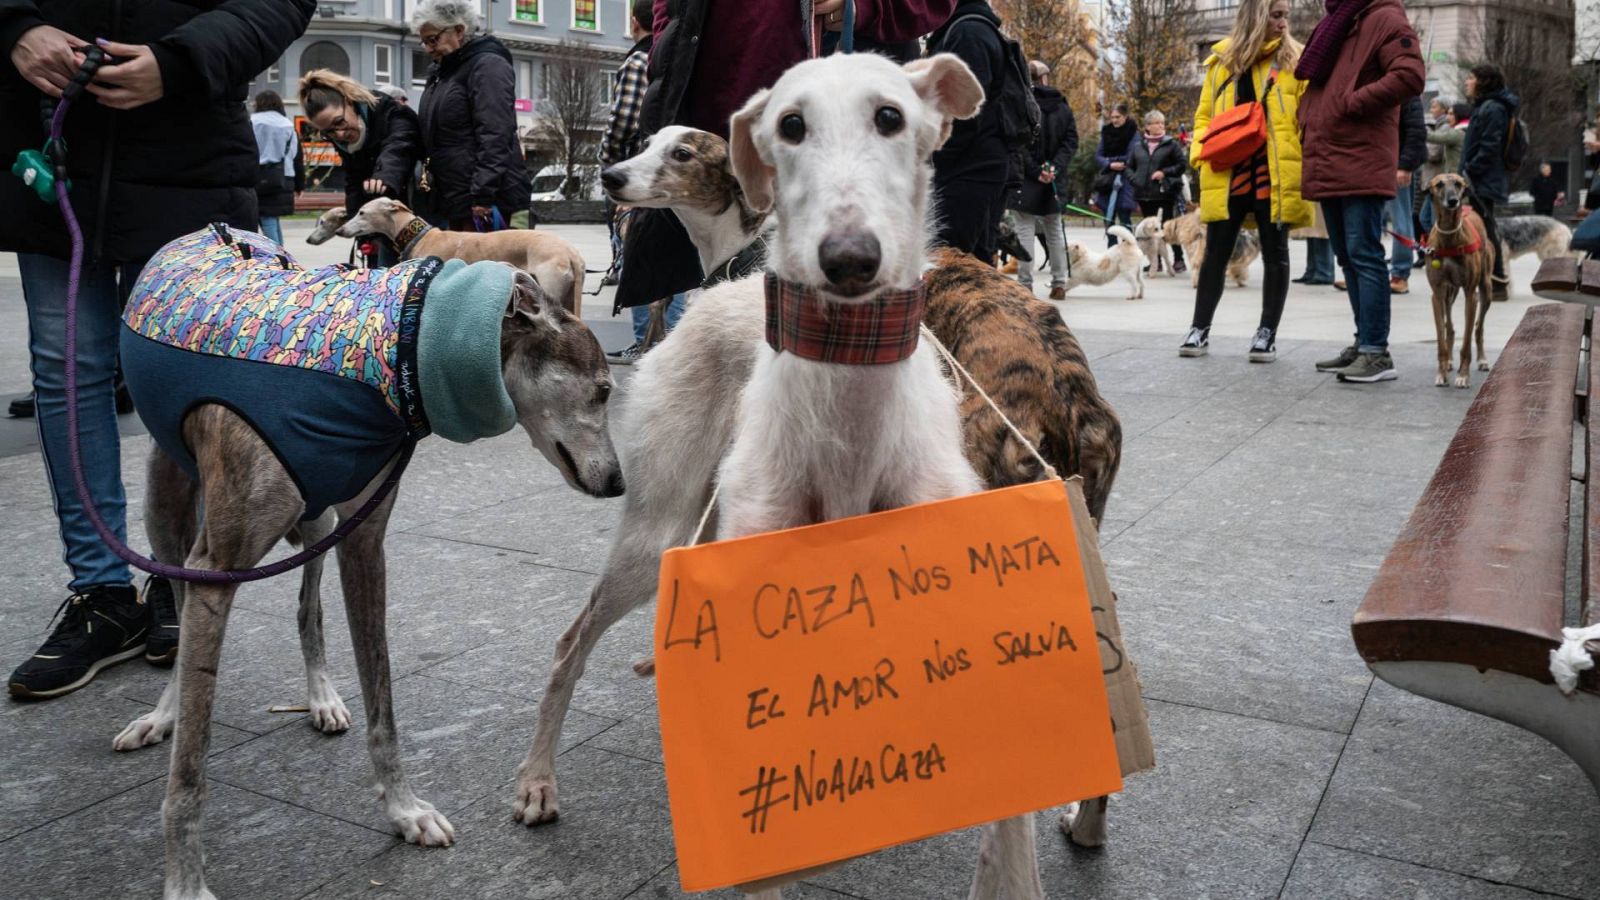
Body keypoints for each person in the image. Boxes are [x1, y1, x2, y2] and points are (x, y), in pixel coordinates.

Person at [1, 0, 313, 700]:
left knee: (187, 380)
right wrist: (15, 29)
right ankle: (99, 593)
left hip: (188, 155)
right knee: (65, 369)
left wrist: (182, 60)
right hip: (52, 148)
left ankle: (179, 574)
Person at [1296, 0, 1424, 383]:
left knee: (1365, 255)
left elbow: (1410, 75)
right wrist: (1311, 114)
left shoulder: (1383, 16)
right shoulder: (1343, 20)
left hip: (1359, 154)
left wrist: (1352, 103)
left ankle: (1376, 353)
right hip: (1333, 155)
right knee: (1349, 258)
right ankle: (1363, 341)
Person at [1177, 0, 1311, 363]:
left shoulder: (1296, 62)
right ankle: (1199, 328)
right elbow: (1204, 115)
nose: (1284, 23)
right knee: (1215, 253)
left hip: (1275, 172)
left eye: (1286, 16)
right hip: (1228, 170)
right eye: (1277, 15)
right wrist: (1199, 154)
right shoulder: (1222, 63)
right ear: (1256, 17)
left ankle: (1267, 332)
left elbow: (1307, 119)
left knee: (1276, 253)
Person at [602, 0, 682, 364]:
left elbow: (624, 123)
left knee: (638, 257)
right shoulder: (680, 55)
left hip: (640, 177)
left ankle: (647, 343)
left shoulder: (638, 61)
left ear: (634, 22)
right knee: (680, 260)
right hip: (670, 175)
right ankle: (675, 343)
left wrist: (611, 168)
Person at [413, 0, 531, 232]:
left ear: (458, 30)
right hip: (456, 199)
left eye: (433, 39)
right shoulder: (442, 72)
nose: (428, 48)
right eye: (424, 41)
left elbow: (495, 133)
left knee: (488, 266)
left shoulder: (487, 65)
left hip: (486, 202)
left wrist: (483, 194)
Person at [299, 69, 422, 266]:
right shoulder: (346, 141)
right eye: (329, 132)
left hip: (421, 211)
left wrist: (384, 177)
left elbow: (399, 147)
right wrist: (356, 222)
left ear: (349, 102)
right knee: (386, 283)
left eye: (339, 122)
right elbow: (354, 180)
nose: (338, 134)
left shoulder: (391, 112)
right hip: (387, 226)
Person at [927, 0, 1011, 262]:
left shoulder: (967, 33)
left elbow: (965, 112)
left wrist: (934, 153)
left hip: (969, 167)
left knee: (948, 262)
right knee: (974, 258)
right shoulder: (969, 28)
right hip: (979, 163)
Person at [1006, 59, 1078, 298]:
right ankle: (1059, 283)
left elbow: (1017, 143)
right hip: (1053, 179)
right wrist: (1054, 168)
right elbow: (1070, 142)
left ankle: (1025, 285)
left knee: (1024, 231)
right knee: (1054, 231)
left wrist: (1037, 170)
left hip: (1026, 179)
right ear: (1045, 78)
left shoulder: (1020, 103)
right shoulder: (1062, 106)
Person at [1461, 63, 1515, 301]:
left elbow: (1490, 146)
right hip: (1479, 177)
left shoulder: (1493, 108)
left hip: (1482, 179)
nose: (1467, 82)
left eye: (1471, 78)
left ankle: (1498, 281)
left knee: (1486, 228)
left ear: (1483, 82)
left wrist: (1470, 170)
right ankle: (1491, 279)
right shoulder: (1486, 106)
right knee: (1483, 226)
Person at [1128, 110, 1188, 275]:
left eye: (1162, 123)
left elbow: (1182, 165)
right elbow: (1129, 167)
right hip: (1144, 194)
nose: (1161, 126)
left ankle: (1178, 259)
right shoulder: (1138, 146)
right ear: (1147, 126)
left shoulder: (1171, 144)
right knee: (1150, 229)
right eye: (1156, 123)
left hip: (1164, 192)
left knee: (1169, 227)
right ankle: (1156, 262)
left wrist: (1164, 172)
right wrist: (1135, 180)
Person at [1384, 95, 1426, 295]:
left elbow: (1416, 132)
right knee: (1371, 220)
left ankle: (1400, 274)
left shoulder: (1408, 93)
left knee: (1401, 220)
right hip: (1380, 161)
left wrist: (1405, 165)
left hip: (1397, 163)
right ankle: (1364, 271)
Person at [250, 90, 304, 246]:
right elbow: (297, 156)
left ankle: (277, 257)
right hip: (283, 177)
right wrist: (299, 185)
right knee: (272, 218)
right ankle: (281, 254)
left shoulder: (252, 122)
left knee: (266, 218)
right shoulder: (287, 124)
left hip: (257, 177)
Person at [1093, 103, 1138, 243]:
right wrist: (1110, 164)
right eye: (1112, 117)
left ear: (1125, 116)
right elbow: (1098, 156)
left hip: (1126, 181)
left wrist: (1110, 160)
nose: (1114, 120)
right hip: (1108, 181)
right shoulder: (1106, 132)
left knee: (1124, 218)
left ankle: (1129, 251)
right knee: (1108, 219)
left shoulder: (1134, 133)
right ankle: (1111, 252)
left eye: (1117, 117)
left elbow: (1131, 156)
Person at [1421, 101, 1468, 233]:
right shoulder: (1459, 131)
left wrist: (1419, 125)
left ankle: (1440, 248)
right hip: (1449, 182)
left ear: (1460, 115)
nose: (1448, 117)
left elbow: (1433, 137)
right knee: (1425, 219)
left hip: (1452, 185)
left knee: (1434, 220)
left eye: (1452, 114)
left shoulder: (1457, 133)